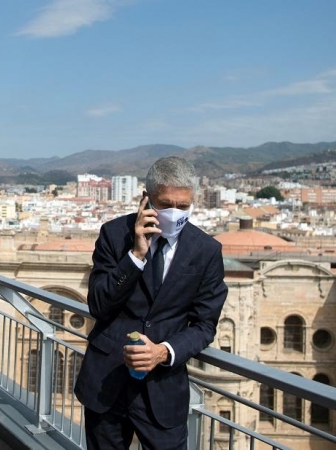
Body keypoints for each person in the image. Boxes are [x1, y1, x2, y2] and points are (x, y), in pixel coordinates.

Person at [75, 156, 228, 449]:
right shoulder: (114, 235)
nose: (174, 213)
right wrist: (135, 256)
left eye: (183, 206)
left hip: (163, 389)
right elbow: (99, 304)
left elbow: (205, 325)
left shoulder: (206, 251)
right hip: (108, 381)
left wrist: (163, 352)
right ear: (146, 199)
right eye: (165, 204)